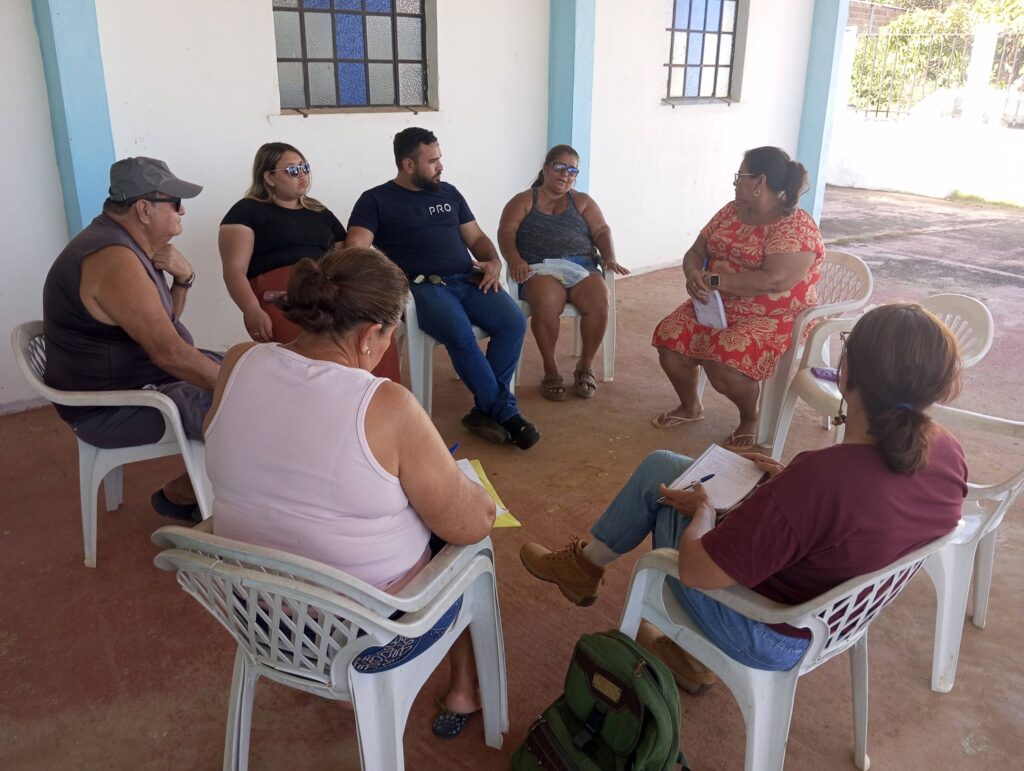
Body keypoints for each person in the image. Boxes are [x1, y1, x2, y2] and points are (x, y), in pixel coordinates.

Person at [521, 303, 966, 690]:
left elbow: (696, 571)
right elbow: (860, 510)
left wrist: (704, 513)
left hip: (763, 630)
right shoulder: (946, 450)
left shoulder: (823, 479)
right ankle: (649, 623)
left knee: (665, 480)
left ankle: (599, 578)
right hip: (832, 619)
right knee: (668, 466)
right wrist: (785, 483)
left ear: (847, 372)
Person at [204, 246, 497, 738]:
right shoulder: (386, 405)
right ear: (368, 336)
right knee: (466, 535)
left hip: (260, 619)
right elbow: (472, 522)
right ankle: (464, 688)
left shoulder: (238, 362)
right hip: (365, 640)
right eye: (391, 336)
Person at [42, 156, 222, 521]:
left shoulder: (124, 245)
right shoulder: (114, 259)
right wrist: (238, 387)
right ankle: (187, 495)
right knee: (247, 404)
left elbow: (163, 324)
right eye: (175, 202)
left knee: (247, 368)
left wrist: (183, 280)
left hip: (139, 382)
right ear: (143, 209)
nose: (182, 211)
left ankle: (190, 492)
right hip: (110, 408)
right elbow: (168, 352)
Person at [346, 127, 540, 450]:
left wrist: (493, 261)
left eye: (440, 158)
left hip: (468, 280)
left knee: (513, 322)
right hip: (423, 289)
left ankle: (485, 410)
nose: (440, 167)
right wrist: (387, 277)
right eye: (432, 161)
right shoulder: (376, 200)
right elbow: (355, 247)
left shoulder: (448, 193)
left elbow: (476, 238)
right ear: (408, 165)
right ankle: (506, 412)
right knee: (460, 334)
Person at [651, 146, 825, 450]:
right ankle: (690, 406)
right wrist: (693, 274)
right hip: (716, 304)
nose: (735, 182)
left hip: (772, 315)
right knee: (670, 339)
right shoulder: (731, 211)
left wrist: (712, 281)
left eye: (740, 175)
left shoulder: (795, 226)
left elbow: (774, 280)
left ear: (760, 181)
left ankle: (749, 418)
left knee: (726, 363)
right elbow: (696, 250)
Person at [497, 144, 629, 400]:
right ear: (546, 168)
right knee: (547, 302)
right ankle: (550, 369)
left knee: (600, 299)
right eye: (560, 167)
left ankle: (585, 366)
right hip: (540, 268)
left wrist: (609, 257)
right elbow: (506, 232)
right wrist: (514, 259)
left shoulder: (582, 202)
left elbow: (602, 231)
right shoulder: (524, 200)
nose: (565, 175)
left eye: (572, 170)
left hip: (581, 266)